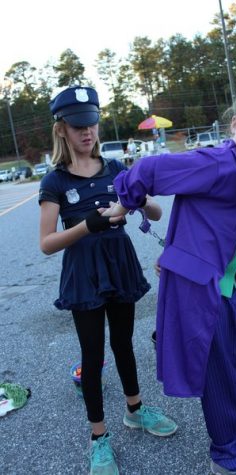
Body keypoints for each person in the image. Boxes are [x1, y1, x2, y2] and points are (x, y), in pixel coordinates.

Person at [103, 87, 236, 475]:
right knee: (219, 370)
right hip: (201, 289)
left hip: (226, 288)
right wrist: (124, 203)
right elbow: (148, 170)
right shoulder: (218, 162)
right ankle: (226, 457)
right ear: (234, 123)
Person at [38, 85, 177, 475]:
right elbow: (47, 243)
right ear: (62, 129)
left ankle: (135, 410)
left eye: (92, 124)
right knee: (93, 356)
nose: (87, 132)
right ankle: (98, 437)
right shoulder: (55, 182)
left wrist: (139, 200)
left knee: (124, 344)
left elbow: (155, 212)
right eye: (78, 126)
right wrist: (88, 224)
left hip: (119, 265)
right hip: (84, 274)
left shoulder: (117, 168)